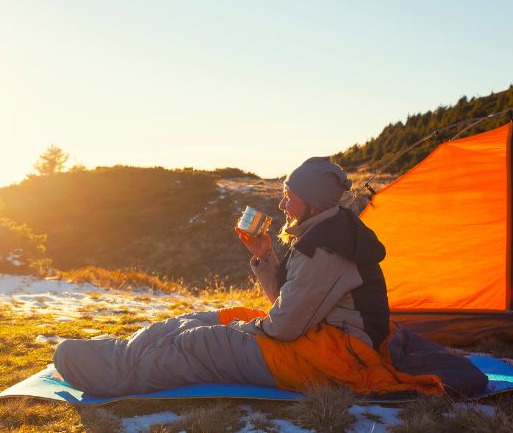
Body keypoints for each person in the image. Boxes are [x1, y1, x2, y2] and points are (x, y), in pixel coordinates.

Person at [53, 158, 477, 397]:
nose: (282, 201)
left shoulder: (326, 247)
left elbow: (286, 324)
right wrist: (265, 255)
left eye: (289, 195)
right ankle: (123, 352)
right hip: (319, 338)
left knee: (201, 342)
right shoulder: (320, 231)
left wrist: (248, 328)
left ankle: (119, 375)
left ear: (310, 201)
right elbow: (288, 304)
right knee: (203, 319)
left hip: (337, 356)